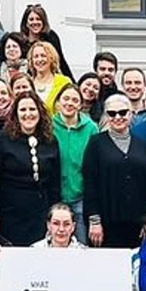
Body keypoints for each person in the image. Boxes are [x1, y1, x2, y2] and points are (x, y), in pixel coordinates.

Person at [83, 94, 146, 249]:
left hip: (138, 226)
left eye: (123, 112)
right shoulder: (96, 144)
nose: (118, 117)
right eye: (112, 113)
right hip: (106, 225)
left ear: (131, 113)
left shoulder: (143, 146)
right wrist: (94, 221)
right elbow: (90, 183)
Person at [0, 93, 61, 246]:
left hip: (40, 212)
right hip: (11, 213)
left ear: (40, 112)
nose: (28, 114)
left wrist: (55, 213)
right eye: (23, 110)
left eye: (32, 109)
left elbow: (55, 182)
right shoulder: (2, 140)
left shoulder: (50, 140)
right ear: (16, 113)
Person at [52, 83, 97, 244]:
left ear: (80, 104)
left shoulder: (91, 128)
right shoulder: (49, 126)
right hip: (55, 195)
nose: (69, 103)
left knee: (81, 244)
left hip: (80, 196)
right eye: (66, 98)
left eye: (74, 100)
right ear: (58, 102)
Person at [19, 4, 72, 78]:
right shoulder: (21, 41)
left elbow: (61, 61)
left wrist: (72, 82)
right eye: (31, 19)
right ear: (26, 23)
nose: (35, 22)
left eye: (38, 19)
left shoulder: (51, 37)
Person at [26, 41, 72, 116]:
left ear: (51, 58)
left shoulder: (64, 82)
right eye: (36, 56)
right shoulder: (27, 83)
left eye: (43, 56)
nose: (40, 60)